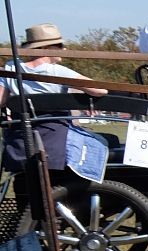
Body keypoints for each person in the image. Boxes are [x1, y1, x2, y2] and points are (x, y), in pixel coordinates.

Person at [2, 22, 109, 180]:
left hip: (20, 143)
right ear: (46, 49)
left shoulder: (11, 69)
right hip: (55, 142)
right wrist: (82, 98)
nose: (64, 50)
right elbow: (100, 90)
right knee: (106, 141)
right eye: (60, 45)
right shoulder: (58, 72)